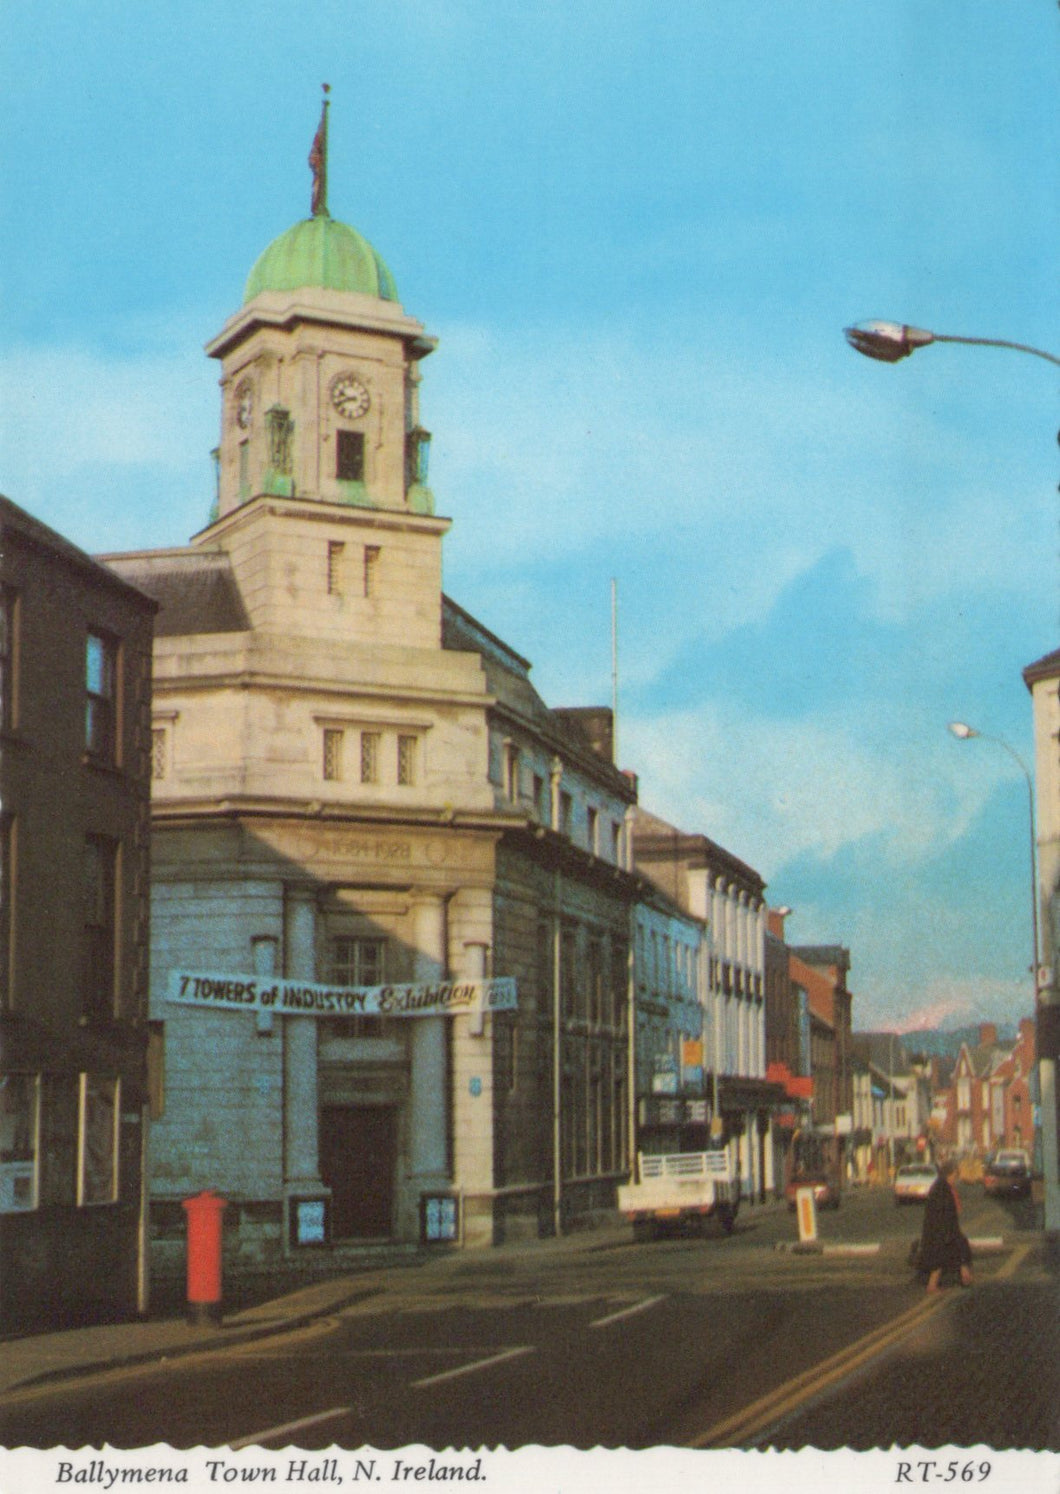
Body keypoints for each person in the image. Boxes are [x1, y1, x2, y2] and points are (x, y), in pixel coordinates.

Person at [918, 1157, 972, 1292]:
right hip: (940, 1233)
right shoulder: (943, 1189)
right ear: (950, 1173)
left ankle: (963, 1275)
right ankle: (935, 1285)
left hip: (939, 1232)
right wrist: (950, 1233)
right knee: (955, 1250)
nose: (956, 1179)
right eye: (955, 1175)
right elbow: (947, 1214)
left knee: (961, 1248)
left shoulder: (940, 1186)